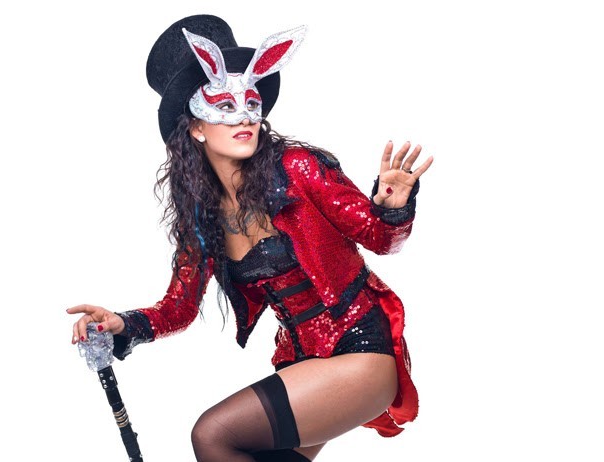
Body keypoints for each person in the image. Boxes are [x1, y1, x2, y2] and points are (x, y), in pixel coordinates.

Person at [67, 14, 433, 462]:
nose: (243, 116)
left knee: (213, 434)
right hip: (302, 365)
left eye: (250, 103)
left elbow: (379, 238)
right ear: (196, 128)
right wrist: (124, 324)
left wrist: (392, 207)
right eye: (223, 105)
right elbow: (178, 308)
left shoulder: (298, 168)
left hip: (360, 349)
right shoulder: (202, 218)